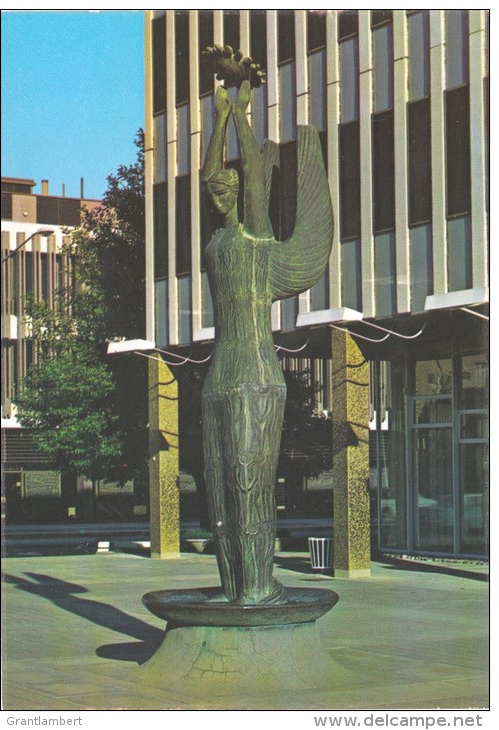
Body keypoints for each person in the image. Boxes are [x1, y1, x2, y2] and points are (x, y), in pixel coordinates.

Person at [201, 79, 333, 604]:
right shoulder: (215, 240)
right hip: (223, 378)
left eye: (229, 189)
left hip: (255, 378)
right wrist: (219, 119)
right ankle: (237, 588)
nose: (221, 190)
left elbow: (253, 179)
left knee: (248, 485)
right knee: (220, 491)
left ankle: (257, 587)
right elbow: (213, 175)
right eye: (218, 191)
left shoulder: (255, 238)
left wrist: (241, 117)